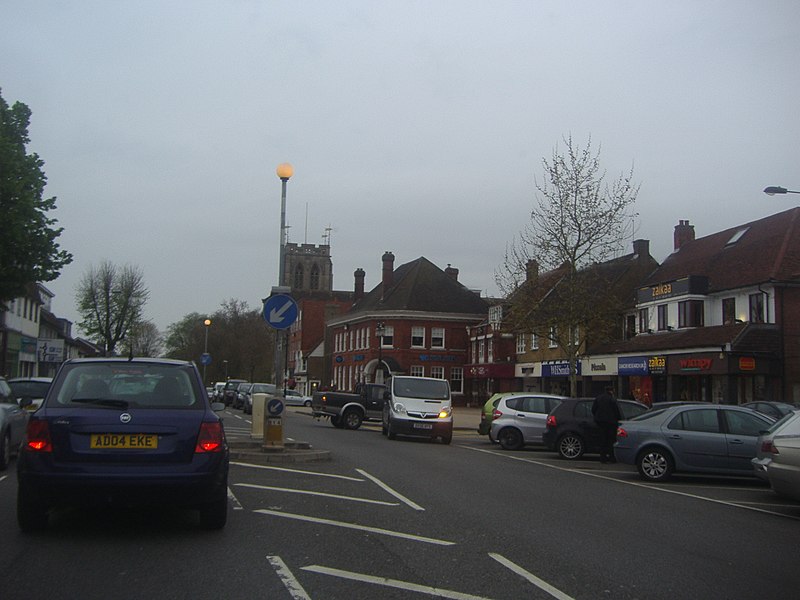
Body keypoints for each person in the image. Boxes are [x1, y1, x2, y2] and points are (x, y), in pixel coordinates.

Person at [592, 385, 622, 464]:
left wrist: (597, 417)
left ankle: (602, 457)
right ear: (611, 391)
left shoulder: (598, 398)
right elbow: (616, 411)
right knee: (610, 440)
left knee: (602, 440)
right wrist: (619, 419)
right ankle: (611, 457)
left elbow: (593, 409)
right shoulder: (612, 399)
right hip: (611, 423)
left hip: (600, 422)